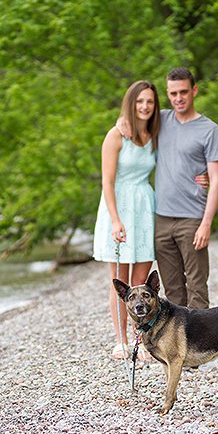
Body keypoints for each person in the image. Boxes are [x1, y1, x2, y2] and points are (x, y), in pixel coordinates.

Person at [121, 66, 218, 309]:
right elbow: (135, 118)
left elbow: (217, 179)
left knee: (197, 286)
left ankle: (200, 343)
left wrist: (206, 224)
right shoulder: (161, 120)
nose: (178, 98)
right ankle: (177, 344)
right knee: (172, 288)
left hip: (192, 219)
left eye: (183, 92)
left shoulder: (210, 130)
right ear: (168, 94)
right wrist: (122, 120)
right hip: (162, 219)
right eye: (173, 93)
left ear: (194, 91)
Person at [93, 80, 160, 359]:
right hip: (119, 207)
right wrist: (115, 220)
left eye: (150, 102)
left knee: (141, 281)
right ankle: (120, 341)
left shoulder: (155, 133)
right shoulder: (116, 135)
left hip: (144, 206)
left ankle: (140, 339)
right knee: (120, 280)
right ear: (130, 104)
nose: (145, 106)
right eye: (139, 101)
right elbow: (107, 183)